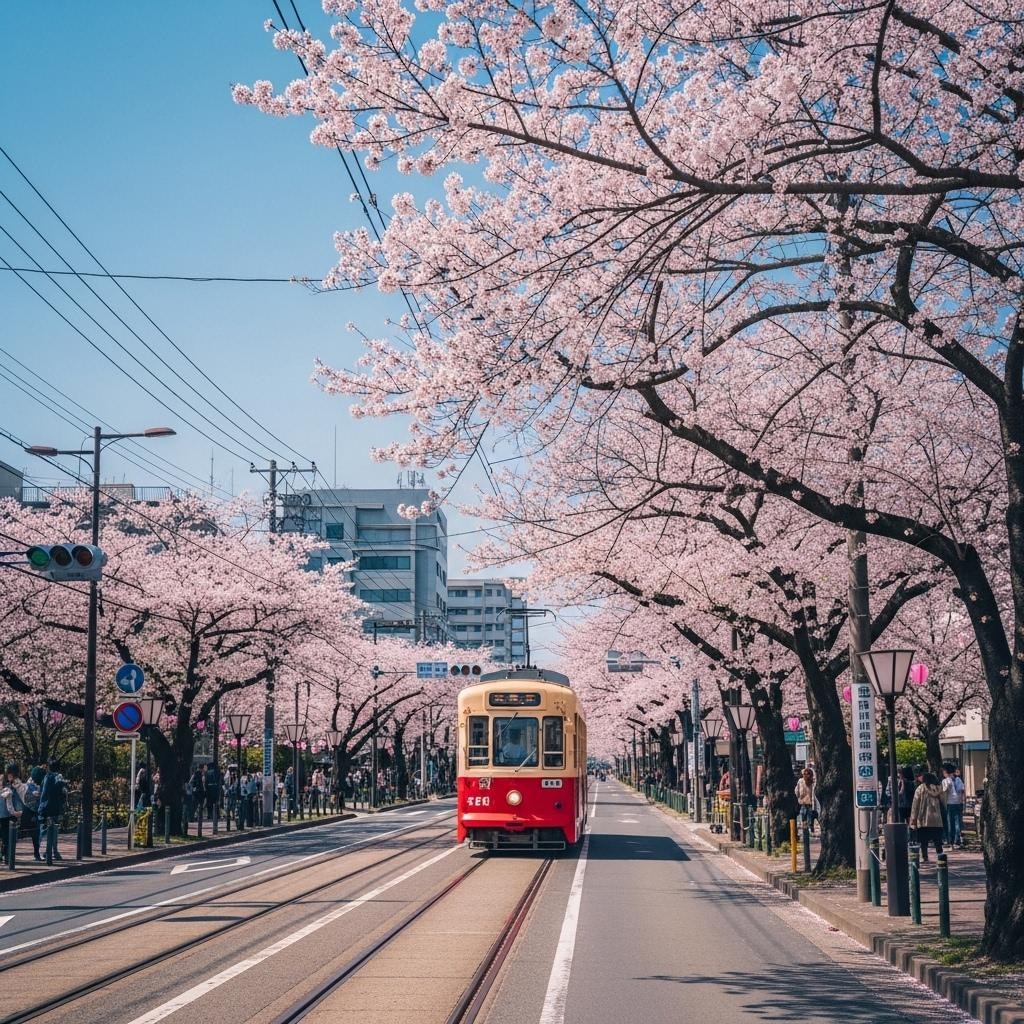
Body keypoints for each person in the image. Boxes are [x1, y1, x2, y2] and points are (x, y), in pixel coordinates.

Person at [910, 771, 945, 861]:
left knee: (923, 840)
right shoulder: (939, 788)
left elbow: (915, 804)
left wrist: (913, 818)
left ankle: (925, 857)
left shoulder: (920, 788)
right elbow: (944, 802)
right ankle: (940, 856)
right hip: (937, 819)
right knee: (938, 840)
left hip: (924, 819)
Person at [38, 758, 67, 860]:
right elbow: (63, 792)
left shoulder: (47, 777)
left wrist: (41, 806)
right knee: (54, 830)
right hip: (56, 808)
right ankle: (53, 852)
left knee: (44, 830)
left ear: (49, 767)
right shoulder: (59, 777)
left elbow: (43, 792)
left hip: (45, 807)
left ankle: (44, 852)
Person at [23, 766, 43, 860]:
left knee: (36, 833)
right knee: (35, 833)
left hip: (35, 810)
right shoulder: (29, 785)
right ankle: (37, 853)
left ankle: (37, 853)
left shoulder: (36, 782)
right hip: (30, 810)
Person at [942, 765, 965, 848]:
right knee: (958, 822)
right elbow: (962, 790)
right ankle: (957, 841)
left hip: (950, 803)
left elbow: (944, 790)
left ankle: (951, 841)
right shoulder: (958, 779)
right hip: (958, 802)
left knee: (951, 822)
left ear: (946, 772)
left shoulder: (945, 781)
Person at [795, 767, 818, 834]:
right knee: (805, 820)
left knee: (808, 820)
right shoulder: (801, 781)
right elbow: (796, 791)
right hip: (804, 804)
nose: (807, 775)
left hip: (809, 804)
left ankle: (809, 831)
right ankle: (807, 832)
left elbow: (796, 792)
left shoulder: (812, 782)